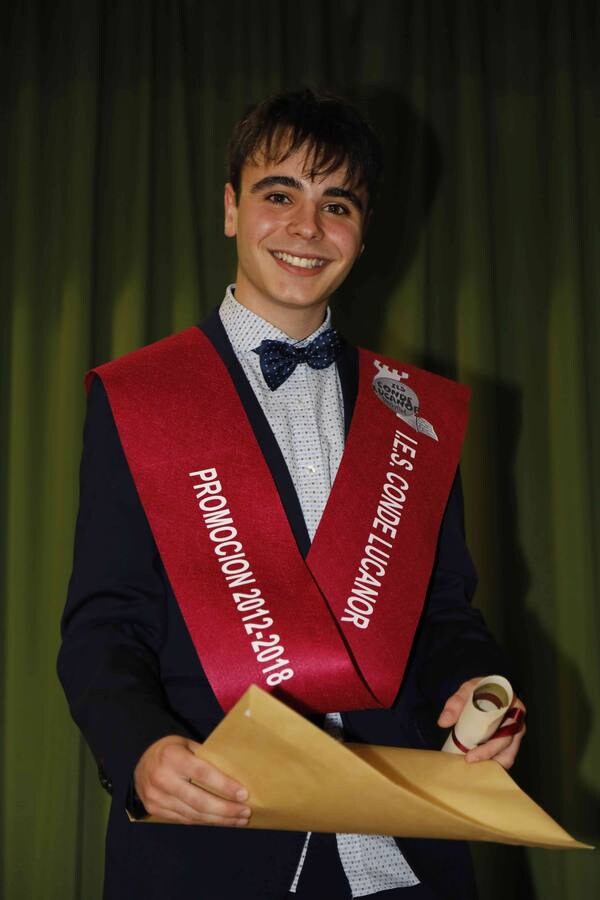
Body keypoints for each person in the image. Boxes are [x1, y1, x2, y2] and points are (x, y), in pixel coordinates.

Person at [58, 89, 526, 900]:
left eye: (336, 203)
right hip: (213, 842)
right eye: (281, 194)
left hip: (406, 846)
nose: (308, 228)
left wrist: (483, 689)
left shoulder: (411, 414)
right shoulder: (145, 398)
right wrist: (141, 751)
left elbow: (448, 615)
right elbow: (103, 628)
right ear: (232, 208)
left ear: (364, 230)